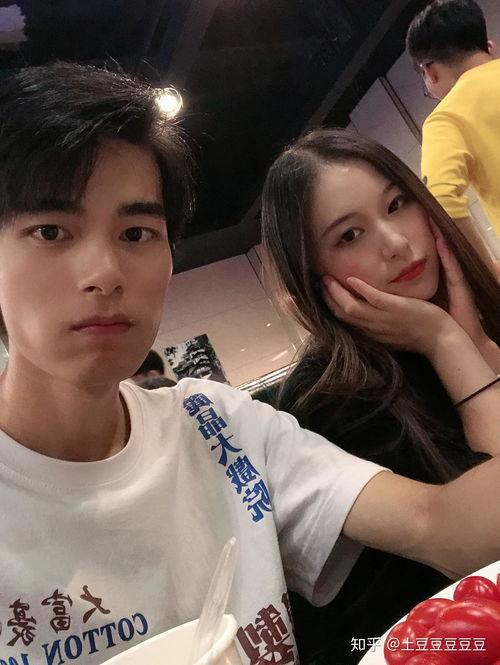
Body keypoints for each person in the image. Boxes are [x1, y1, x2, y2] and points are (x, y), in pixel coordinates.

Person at [1, 63, 500, 665]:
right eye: (51, 231)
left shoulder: (221, 425)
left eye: (136, 233)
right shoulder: (334, 395)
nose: (104, 274)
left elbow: (443, 529)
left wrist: (455, 342)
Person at [260, 127, 500, 664]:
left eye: (396, 204)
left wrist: (477, 342)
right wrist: (446, 343)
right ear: (314, 275)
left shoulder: (472, 306)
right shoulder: (332, 398)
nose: (395, 242)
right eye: (350, 236)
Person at [406, 0, 500, 273]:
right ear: (489, 48)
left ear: (430, 71)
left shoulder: (446, 119)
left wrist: (487, 272)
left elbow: (441, 200)